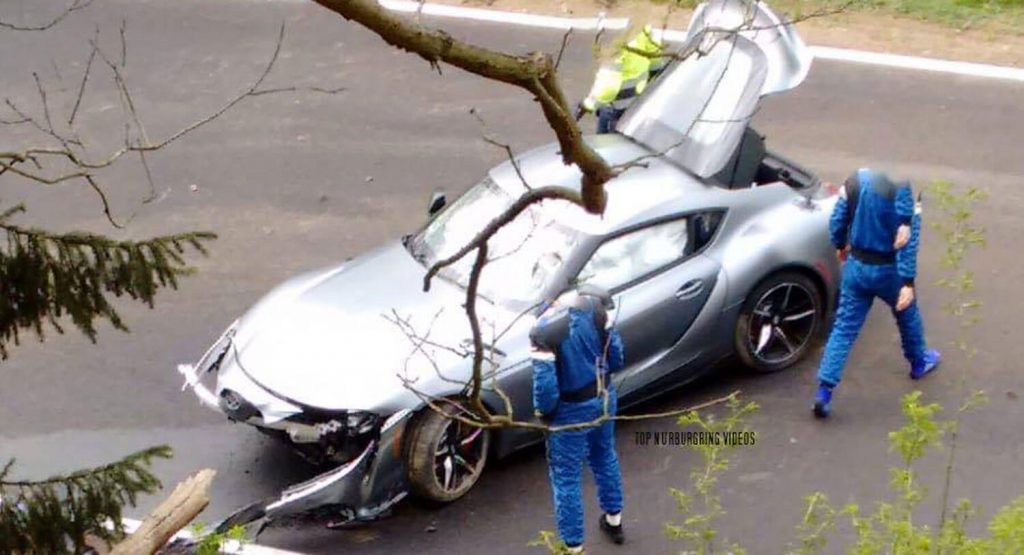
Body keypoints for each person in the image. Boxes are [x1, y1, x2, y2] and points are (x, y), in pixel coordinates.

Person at [813, 168, 942, 418]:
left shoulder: (854, 180)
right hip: (889, 271)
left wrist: (841, 245)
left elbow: (837, 220)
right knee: (907, 315)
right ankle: (918, 362)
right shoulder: (901, 187)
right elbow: (908, 242)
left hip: (857, 267)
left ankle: (824, 391)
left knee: (843, 328)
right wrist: (907, 283)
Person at [530, 285, 627, 553]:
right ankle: (614, 521)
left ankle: (574, 547)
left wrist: (544, 415)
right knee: (605, 456)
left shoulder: (543, 332)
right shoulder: (595, 309)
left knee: (566, 479)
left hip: (570, 412)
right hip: (604, 397)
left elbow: (546, 388)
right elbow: (617, 357)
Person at [575, 24, 666, 134]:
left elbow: (609, 87)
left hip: (615, 107)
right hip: (637, 102)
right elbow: (656, 61)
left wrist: (588, 105)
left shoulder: (614, 38)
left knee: (605, 148)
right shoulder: (642, 25)